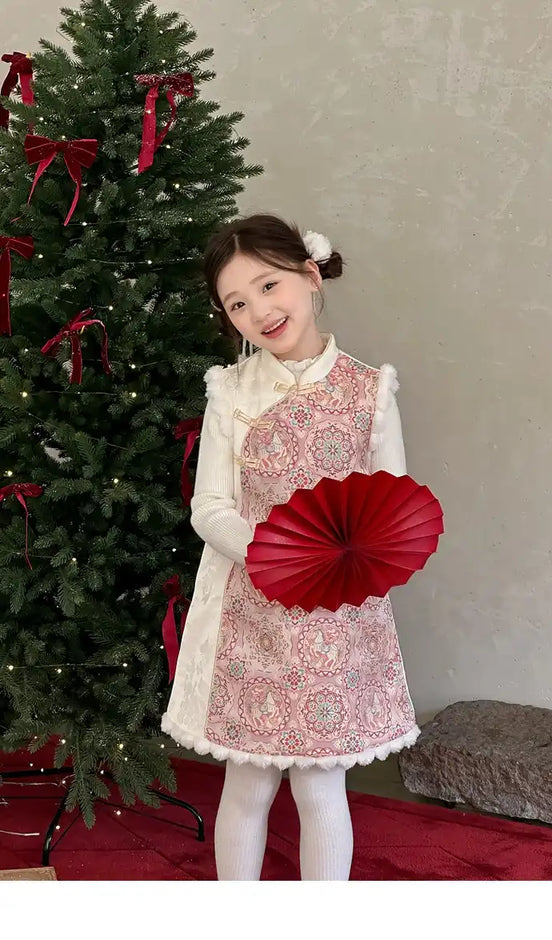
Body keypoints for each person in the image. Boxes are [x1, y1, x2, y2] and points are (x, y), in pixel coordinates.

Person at [162, 213, 420, 880]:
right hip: (252, 614)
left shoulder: (370, 391)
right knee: (248, 785)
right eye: (237, 304)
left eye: (268, 286)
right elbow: (211, 507)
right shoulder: (232, 392)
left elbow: (390, 506)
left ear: (310, 276)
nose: (259, 311)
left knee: (319, 787)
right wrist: (276, 552)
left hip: (337, 616)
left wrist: (347, 557)